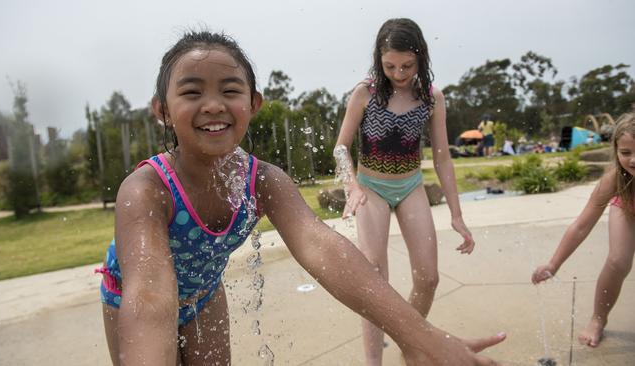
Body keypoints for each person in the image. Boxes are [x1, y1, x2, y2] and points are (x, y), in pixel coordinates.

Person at [97, 30, 506, 366]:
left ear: (253, 104)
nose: (214, 104)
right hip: (129, 298)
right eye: (191, 92)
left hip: (204, 297)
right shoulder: (147, 189)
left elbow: (323, 247)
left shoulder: (263, 181)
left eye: (230, 90)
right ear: (162, 110)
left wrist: (421, 339)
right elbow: (150, 295)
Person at [333, 18, 481, 365]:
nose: (399, 73)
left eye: (407, 65)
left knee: (428, 278)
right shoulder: (366, 93)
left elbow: (443, 157)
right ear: (379, 61)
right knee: (373, 278)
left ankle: (409, 344)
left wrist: (457, 215)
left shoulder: (431, 98)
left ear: (421, 58)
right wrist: (351, 185)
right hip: (371, 189)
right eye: (390, 66)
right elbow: (341, 147)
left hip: (411, 185)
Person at [532, 113, 635, 347]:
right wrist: (553, 264)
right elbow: (581, 226)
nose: (633, 160)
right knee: (618, 260)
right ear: (616, 150)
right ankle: (598, 319)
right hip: (628, 205)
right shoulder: (614, 180)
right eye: (625, 153)